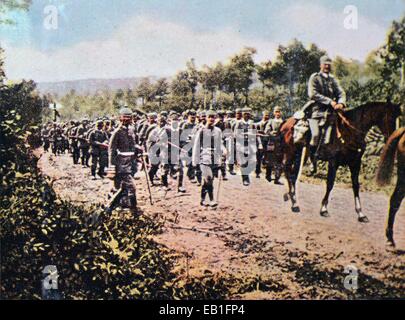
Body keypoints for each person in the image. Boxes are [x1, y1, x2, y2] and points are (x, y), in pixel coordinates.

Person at [303, 55, 346, 175]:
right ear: (320, 65)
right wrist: (330, 101)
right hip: (316, 112)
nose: (327, 66)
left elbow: (341, 92)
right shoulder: (315, 77)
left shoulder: (333, 79)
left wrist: (341, 102)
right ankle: (312, 161)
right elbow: (313, 94)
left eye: (329, 64)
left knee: (331, 138)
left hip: (331, 113)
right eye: (325, 64)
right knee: (316, 135)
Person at [192, 110, 226, 207]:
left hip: (215, 158)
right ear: (206, 118)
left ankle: (202, 199)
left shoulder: (218, 131)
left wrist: (224, 150)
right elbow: (196, 146)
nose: (211, 119)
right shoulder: (201, 131)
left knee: (208, 181)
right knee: (209, 178)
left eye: (213, 117)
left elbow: (220, 144)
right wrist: (195, 161)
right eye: (209, 117)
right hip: (204, 158)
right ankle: (211, 199)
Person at [108, 107, 139, 211]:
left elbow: (133, 145)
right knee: (131, 186)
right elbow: (111, 150)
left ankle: (119, 202)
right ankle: (133, 209)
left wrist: (138, 149)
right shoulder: (117, 132)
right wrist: (112, 167)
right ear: (120, 118)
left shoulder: (131, 131)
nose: (126, 119)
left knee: (120, 187)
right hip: (121, 164)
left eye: (129, 117)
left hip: (131, 163)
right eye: (124, 117)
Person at [233, 107, 262, 186]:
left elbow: (256, 134)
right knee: (244, 162)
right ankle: (245, 179)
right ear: (242, 114)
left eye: (248, 114)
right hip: (241, 144)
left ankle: (247, 174)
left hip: (251, 145)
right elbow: (235, 135)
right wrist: (244, 134)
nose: (246, 115)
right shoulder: (239, 123)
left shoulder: (252, 123)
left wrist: (260, 144)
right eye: (245, 114)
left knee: (252, 162)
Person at [264, 106, 284, 184]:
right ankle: (268, 175)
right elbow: (266, 130)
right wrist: (270, 132)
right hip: (271, 142)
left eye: (279, 111)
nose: (277, 113)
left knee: (279, 161)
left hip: (280, 143)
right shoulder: (271, 121)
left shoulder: (283, 121)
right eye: (276, 112)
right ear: (274, 113)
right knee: (270, 159)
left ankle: (277, 178)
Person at [255, 111, 270, 178]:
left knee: (268, 158)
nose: (266, 116)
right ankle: (257, 172)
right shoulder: (258, 124)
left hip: (268, 142)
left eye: (268, 115)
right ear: (262, 115)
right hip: (259, 142)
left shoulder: (270, 123)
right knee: (258, 157)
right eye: (265, 115)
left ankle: (268, 175)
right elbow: (256, 133)